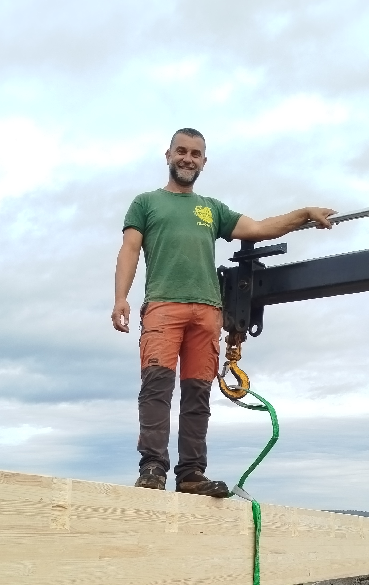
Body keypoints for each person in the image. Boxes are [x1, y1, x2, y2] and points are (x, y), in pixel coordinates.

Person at [111, 127, 334, 497]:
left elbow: (258, 228)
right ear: (168, 155)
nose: (187, 158)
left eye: (195, 154)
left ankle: (191, 474)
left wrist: (304, 214)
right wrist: (121, 297)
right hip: (164, 306)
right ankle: (152, 468)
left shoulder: (211, 208)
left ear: (203, 162)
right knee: (156, 389)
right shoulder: (146, 203)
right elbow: (130, 249)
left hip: (207, 312)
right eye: (181, 151)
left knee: (197, 394)